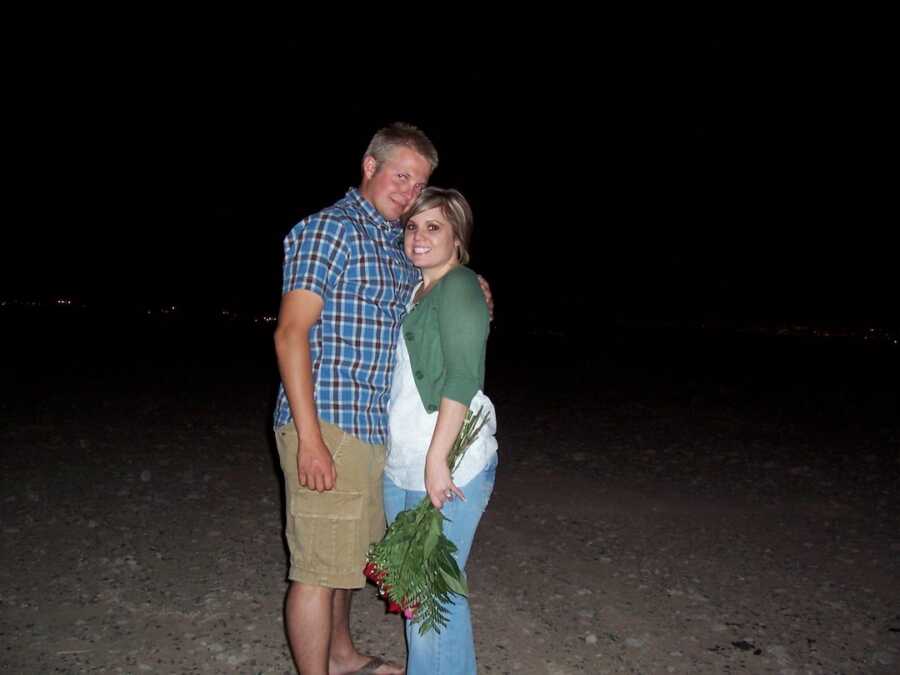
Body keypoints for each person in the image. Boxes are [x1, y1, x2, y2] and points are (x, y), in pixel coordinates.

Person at [273, 122, 436, 675]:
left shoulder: (391, 246)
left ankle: (341, 656)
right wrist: (311, 440)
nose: (410, 192)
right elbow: (291, 333)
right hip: (327, 425)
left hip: (371, 429)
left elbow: (429, 290)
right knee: (318, 568)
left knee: (347, 559)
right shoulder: (330, 230)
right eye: (401, 176)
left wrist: (469, 283)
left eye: (419, 184)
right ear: (370, 166)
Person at [383, 187, 498, 675]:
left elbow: (463, 378)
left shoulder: (460, 286)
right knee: (424, 597)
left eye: (434, 227)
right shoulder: (415, 290)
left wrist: (437, 459)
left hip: (449, 462)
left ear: (458, 236)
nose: (419, 236)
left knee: (431, 601)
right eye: (412, 226)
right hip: (403, 462)